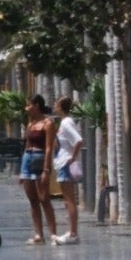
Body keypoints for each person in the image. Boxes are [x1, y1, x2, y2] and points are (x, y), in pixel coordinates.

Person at [20, 94, 59, 245]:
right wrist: (22, 169)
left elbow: (49, 147)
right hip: (28, 159)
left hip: (40, 158)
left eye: (28, 105)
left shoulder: (48, 124)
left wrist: (46, 169)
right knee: (32, 200)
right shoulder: (31, 124)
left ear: (36, 106)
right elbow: (27, 145)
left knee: (44, 198)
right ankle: (38, 234)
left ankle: (53, 233)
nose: (26, 108)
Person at [51, 96, 84, 245]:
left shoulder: (65, 123)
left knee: (69, 200)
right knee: (67, 200)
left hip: (65, 163)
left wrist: (72, 157)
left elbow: (78, 140)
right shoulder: (63, 122)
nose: (53, 107)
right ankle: (71, 231)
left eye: (55, 105)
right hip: (61, 163)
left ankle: (73, 233)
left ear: (60, 107)